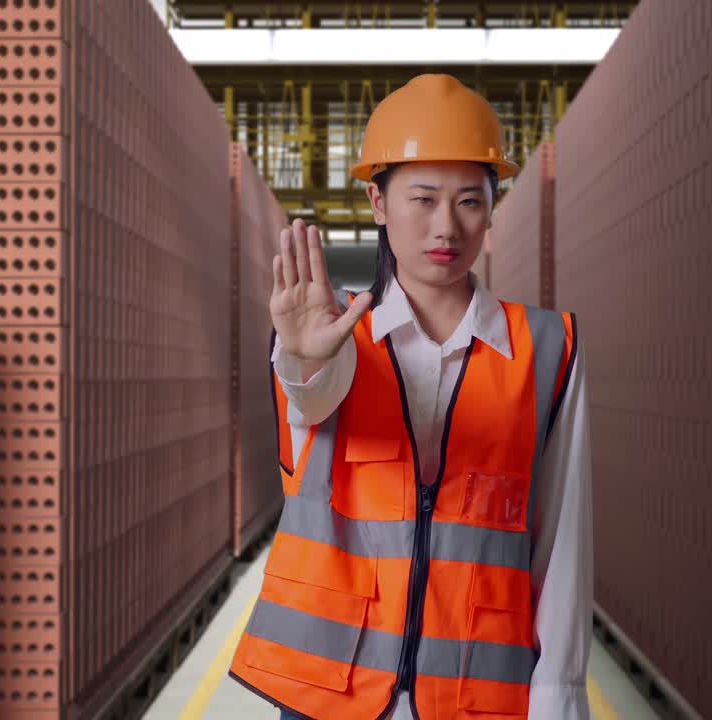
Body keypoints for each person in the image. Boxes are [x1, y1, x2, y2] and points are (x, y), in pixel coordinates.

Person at [228, 73, 593, 720]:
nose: (445, 227)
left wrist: (559, 700)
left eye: (470, 201)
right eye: (422, 199)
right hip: (328, 692)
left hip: (473, 692)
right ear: (377, 201)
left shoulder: (547, 347)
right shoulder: (329, 335)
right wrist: (305, 356)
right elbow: (309, 403)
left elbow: (562, 539)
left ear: (491, 207)